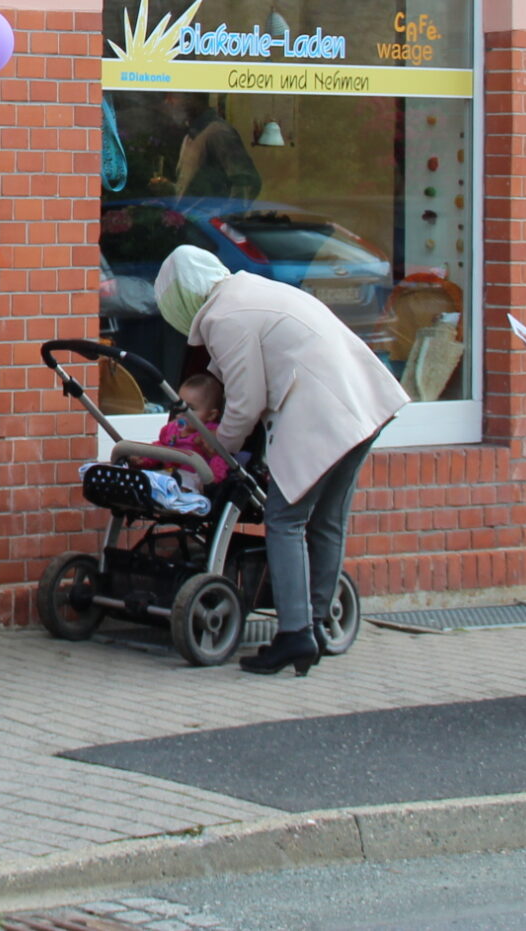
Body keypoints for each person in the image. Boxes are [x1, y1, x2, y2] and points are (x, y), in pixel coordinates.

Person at [156, 244, 406, 675]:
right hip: (362, 400)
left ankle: (294, 635)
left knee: (285, 519)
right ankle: (317, 621)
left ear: (181, 300)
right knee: (326, 520)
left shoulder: (223, 316)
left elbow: (244, 403)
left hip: (321, 410)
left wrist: (217, 456)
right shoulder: (250, 291)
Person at [165, 94, 262, 200]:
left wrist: (226, 215)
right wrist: (169, 188)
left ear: (193, 97)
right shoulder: (189, 137)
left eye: (173, 96)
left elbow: (248, 183)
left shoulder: (219, 133)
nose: (168, 102)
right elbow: (192, 192)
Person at [155, 373, 232, 490]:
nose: (181, 411)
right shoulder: (172, 429)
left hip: (195, 480)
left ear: (211, 415)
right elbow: (161, 447)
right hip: (170, 474)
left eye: (190, 409)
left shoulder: (210, 435)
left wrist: (212, 480)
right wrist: (145, 458)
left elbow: (220, 461)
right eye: (179, 404)